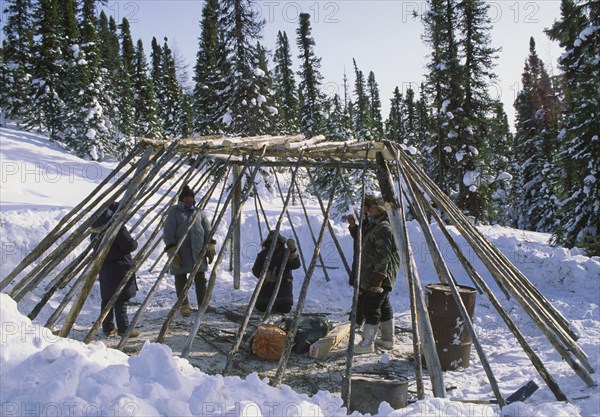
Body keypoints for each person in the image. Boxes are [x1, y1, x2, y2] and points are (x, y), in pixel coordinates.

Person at [354, 197, 400, 354]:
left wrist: (378, 279)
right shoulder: (376, 225)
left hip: (381, 275)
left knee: (371, 306)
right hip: (375, 273)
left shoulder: (383, 228)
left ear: (380, 211)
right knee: (384, 305)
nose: (370, 209)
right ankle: (387, 340)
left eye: (373, 207)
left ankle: (367, 343)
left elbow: (384, 255)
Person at [163, 185, 216, 317]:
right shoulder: (174, 213)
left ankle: (203, 304)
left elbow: (208, 230)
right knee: (180, 279)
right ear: (181, 199)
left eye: (191, 198)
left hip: (198, 252)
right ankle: (184, 305)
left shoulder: (199, 212)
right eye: (186, 198)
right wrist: (171, 250)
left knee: (200, 279)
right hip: (181, 253)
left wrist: (210, 244)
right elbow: (168, 233)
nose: (189, 201)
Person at [90, 201, 139, 337]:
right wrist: (134, 242)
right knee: (121, 298)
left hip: (105, 268)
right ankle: (124, 328)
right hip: (120, 267)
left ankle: (108, 328)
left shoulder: (96, 230)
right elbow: (128, 246)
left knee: (107, 298)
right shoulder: (117, 227)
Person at [347, 194, 377, 329]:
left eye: (363, 206)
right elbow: (359, 237)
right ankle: (357, 318)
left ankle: (359, 319)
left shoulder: (374, 221)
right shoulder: (366, 220)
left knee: (366, 293)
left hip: (369, 263)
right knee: (360, 290)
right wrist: (353, 226)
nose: (361, 208)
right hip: (361, 260)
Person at [252, 230, 301, 314]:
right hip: (267, 286)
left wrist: (293, 252)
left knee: (285, 308)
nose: (274, 244)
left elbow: (295, 265)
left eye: (276, 242)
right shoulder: (263, 254)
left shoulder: (286, 253)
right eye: (271, 242)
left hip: (283, 287)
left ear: (280, 243)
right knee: (261, 307)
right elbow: (255, 269)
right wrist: (265, 275)